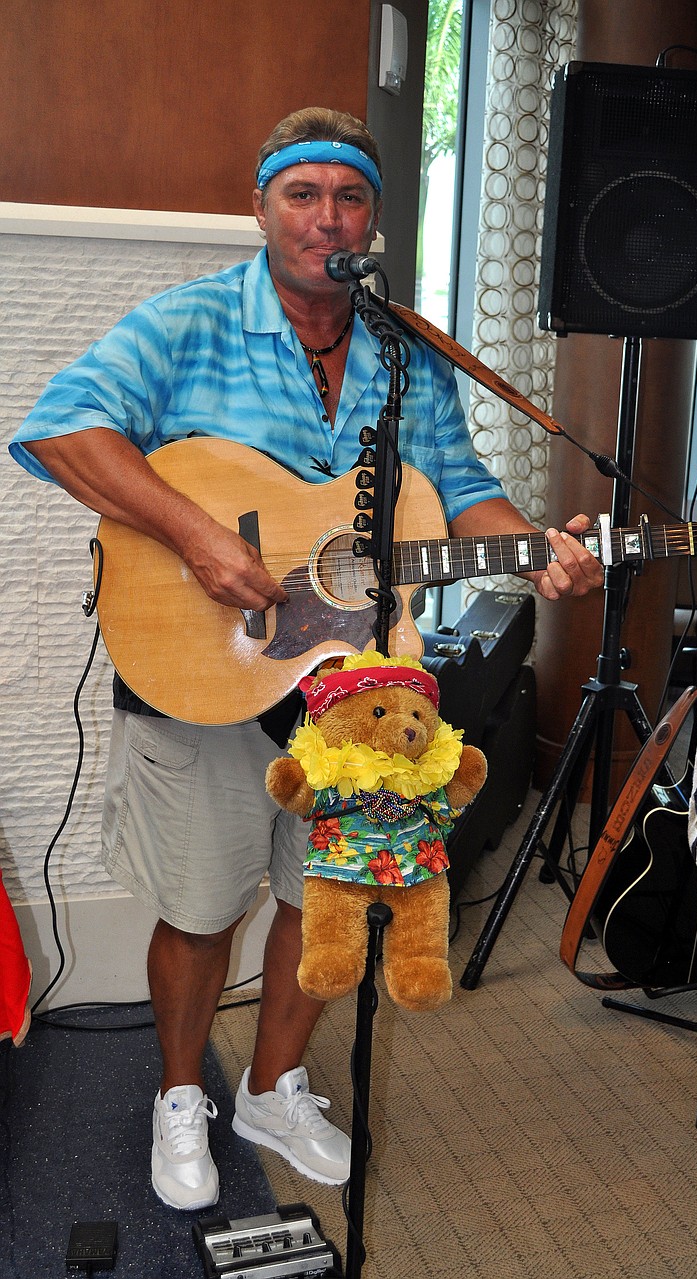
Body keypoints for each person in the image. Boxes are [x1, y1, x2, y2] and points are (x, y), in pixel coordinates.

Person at [9, 107, 603, 1211]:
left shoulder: (402, 353)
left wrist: (541, 548)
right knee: (198, 905)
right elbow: (61, 428)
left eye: (349, 197)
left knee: (322, 889)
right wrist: (195, 538)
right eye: (303, 193)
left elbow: (458, 489)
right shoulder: (184, 323)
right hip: (200, 669)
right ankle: (181, 1092)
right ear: (261, 207)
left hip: (352, 687)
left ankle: (274, 1084)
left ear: (371, 218)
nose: (326, 216)